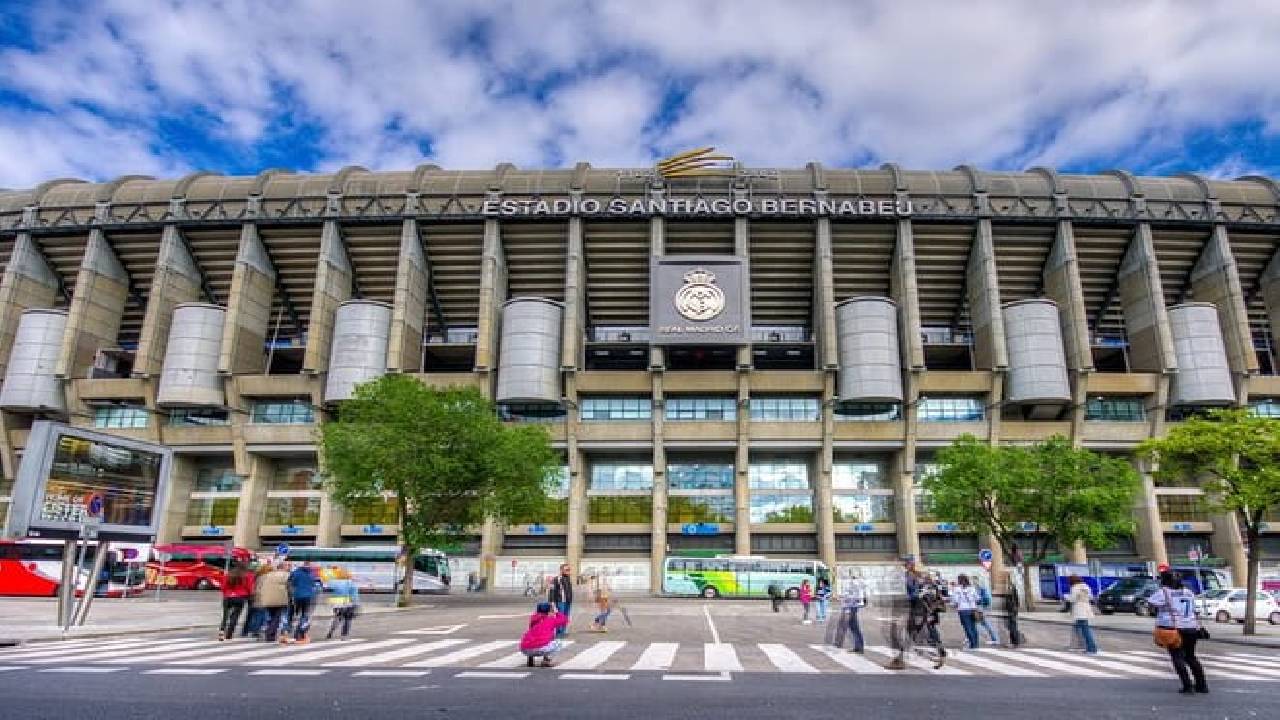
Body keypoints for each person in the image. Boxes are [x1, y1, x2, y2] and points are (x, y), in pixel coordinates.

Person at [1147, 570, 1209, 695]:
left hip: (1173, 628)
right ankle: (1202, 685)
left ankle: (1187, 686)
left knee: (1177, 657)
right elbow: (1194, 610)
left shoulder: (1163, 592)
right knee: (1191, 657)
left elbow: (1151, 605)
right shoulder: (1188, 592)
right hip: (1191, 627)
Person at [520, 601, 569, 667]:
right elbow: (565, 620)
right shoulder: (551, 620)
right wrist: (556, 612)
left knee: (535, 637)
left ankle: (530, 659)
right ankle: (546, 661)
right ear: (549, 611)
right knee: (558, 643)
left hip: (525, 649)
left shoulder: (533, 619)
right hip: (539, 648)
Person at [284, 561, 319, 644]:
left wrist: (291, 594)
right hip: (308, 597)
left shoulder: (295, 573)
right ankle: (300, 633)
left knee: (292, 614)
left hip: (296, 596)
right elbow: (315, 585)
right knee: (305, 615)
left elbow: (289, 584)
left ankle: (287, 633)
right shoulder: (312, 574)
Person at [218, 562, 254, 641]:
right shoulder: (246, 575)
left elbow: (223, 587)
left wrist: (226, 593)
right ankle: (229, 634)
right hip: (240, 597)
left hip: (228, 597)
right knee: (235, 616)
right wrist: (250, 595)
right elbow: (249, 587)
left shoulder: (229, 574)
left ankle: (222, 631)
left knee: (225, 616)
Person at [256, 562, 291, 643]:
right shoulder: (286, 575)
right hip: (279, 599)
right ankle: (270, 634)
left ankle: (266, 632)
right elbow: (289, 587)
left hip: (267, 599)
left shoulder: (267, 575)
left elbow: (261, 587)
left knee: (269, 617)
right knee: (276, 617)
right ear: (283, 567)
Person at [1067, 574, 1099, 655]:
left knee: (1085, 630)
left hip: (1079, 610)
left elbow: (1072, 599)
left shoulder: (1075, 588)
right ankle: (1077, 646)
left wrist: (1066, 597)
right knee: (1079, 628)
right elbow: (1091, 597)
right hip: (1086, 609)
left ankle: (1092, 648)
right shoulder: (1086, 587)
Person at [326, 567, 360, 640]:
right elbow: (354, 595)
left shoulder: (335, 582)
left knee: (337, 618)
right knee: (347, 619)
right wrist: (356, 604)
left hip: (337, 603)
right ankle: (344, 635)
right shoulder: (351, 583)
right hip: (348, 603)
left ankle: (330, 632)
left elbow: (331, 589)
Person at [834, 574, 866, 653]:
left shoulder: (855, 585)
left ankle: (839, 643)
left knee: (844, 624)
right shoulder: (855, 585)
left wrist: (844, 598)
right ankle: (859, 647)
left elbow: (853, 597)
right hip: (850, 606)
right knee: (854, 627)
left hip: (850, 607)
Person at [952, 574, 981, 650]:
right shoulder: (972, 588)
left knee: (967, 627)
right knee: (973, 627)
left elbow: (955, 601)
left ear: (960, 580)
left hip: (963, 610)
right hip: (973, 609)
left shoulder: (957, 589)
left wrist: (955, 604)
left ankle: (972, 644)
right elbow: (978, 599)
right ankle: (976, 644)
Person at [547, 563, 574, 637]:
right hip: (560, 601)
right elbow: (551, 591)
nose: (569, 571)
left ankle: (563, 631)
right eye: (567, 570)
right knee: (560, 617)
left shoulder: (568, 578)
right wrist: (552, 603)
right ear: (561, 570)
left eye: (569, 570)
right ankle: (559, 632)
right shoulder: (556, 579)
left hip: (567, 601)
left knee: (565, 617)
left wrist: (570, 600)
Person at [974, 579, 1000, 646]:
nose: (974, 583)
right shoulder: (982, 589)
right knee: (982, 624)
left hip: (980, 609)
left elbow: (982, 600)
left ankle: (994, 639)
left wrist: (978, 604)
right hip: (981, 609)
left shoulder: (981, 590)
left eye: (974, 581)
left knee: (982, 624)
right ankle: (994, 638)